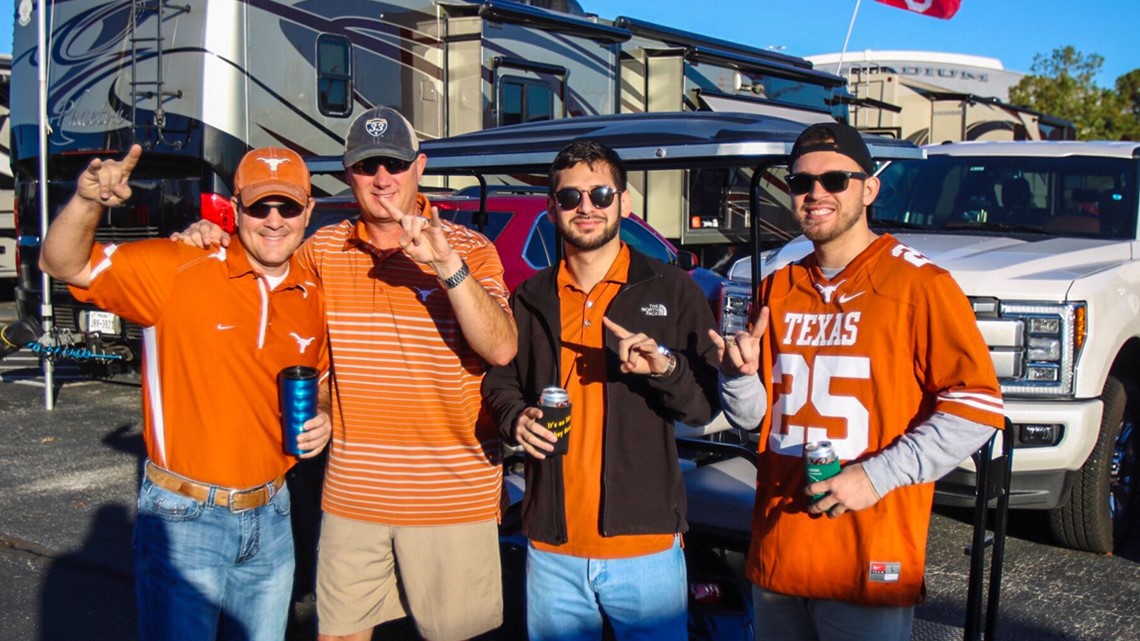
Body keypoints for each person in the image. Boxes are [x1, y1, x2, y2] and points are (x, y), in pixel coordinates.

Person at [179, 105, 518, 641]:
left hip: (451, 497)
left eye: (395, 163)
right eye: (366, 166)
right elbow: (285, 321)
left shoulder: (469, 248)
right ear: (347, 174)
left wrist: (446, 267)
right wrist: (212, 239)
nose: (382, 179)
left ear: (420, 166)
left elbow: (501, 348)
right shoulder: (321, 250)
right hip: (351, 497)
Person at [712, 122, 1005, 641]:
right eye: (802, 183)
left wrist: (875, 476)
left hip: (868, 554)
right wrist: (737, 378)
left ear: (869, 188)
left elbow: (977, 408)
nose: (816, 194)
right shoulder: (778, 285)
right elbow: (757, 420)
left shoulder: (921, 285)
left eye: (835, 181)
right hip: (781, 548)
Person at [39, 145, 332, 641]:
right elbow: (62, 264)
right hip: (185, 518)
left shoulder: (312, 291)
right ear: (236, 209)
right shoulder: (178, 266)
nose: (274, 220)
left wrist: (323, 414)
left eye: (288, 205)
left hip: (274, 515)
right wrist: (89, 203)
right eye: (260, 206)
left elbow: (320, 381)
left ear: (309, 211)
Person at [483, 140, 721, 640]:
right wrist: (515, 418)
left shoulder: (673, 289)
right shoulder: (531, 297)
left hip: (646, 547)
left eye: (600, 193)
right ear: (552, 208)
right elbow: (501, 380)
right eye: (570, 198)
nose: (585, 207)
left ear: (624, 203)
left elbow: (702, 406)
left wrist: (664, 367)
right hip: (552, 548)